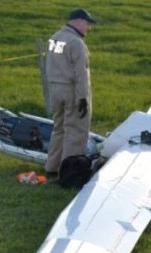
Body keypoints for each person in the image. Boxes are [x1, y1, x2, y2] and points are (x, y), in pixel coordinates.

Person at [45, 8, 96, 178]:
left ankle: (52, 166)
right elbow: (81, 74)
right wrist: (83, 98)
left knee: (59, 129)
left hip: (55, 89)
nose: (89, 28)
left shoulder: (55, 38)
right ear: (79, 21)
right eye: (88, 24)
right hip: (72, 90)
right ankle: (68, 173)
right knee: (76, 131)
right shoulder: (76, 43)